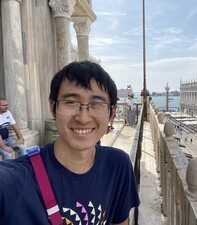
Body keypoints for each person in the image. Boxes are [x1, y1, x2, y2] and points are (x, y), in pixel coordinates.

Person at [0, 61, 140, 224]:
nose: (83, 117)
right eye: (71, 102)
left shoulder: (117, 165)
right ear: (53, 108)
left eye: (96, 104)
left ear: (111, 113)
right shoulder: (15, 180)